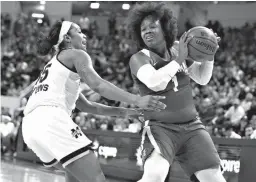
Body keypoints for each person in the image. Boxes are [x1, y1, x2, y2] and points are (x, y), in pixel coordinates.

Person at [22, 20, 166, 182]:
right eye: (79, 32)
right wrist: (137, 100)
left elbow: (89, 106)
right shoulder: (76, 54)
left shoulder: (56, 66)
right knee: (96, 178)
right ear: (68, 38)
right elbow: (98, 85)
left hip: (29, 127)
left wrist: (130, 113)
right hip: (50, 119)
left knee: (75, 175)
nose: (84, 35)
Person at [127, 2, 226, 182]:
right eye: (143, 29)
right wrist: (180, 58)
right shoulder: (139, 58)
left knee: (214, 178)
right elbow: (155, 82)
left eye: (152, 27)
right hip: (160, 128)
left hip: (192, 127)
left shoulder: (178, 47)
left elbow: (202, 78)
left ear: (165, 29)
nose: (147, 31)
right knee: (154, 177)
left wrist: (209, 56)